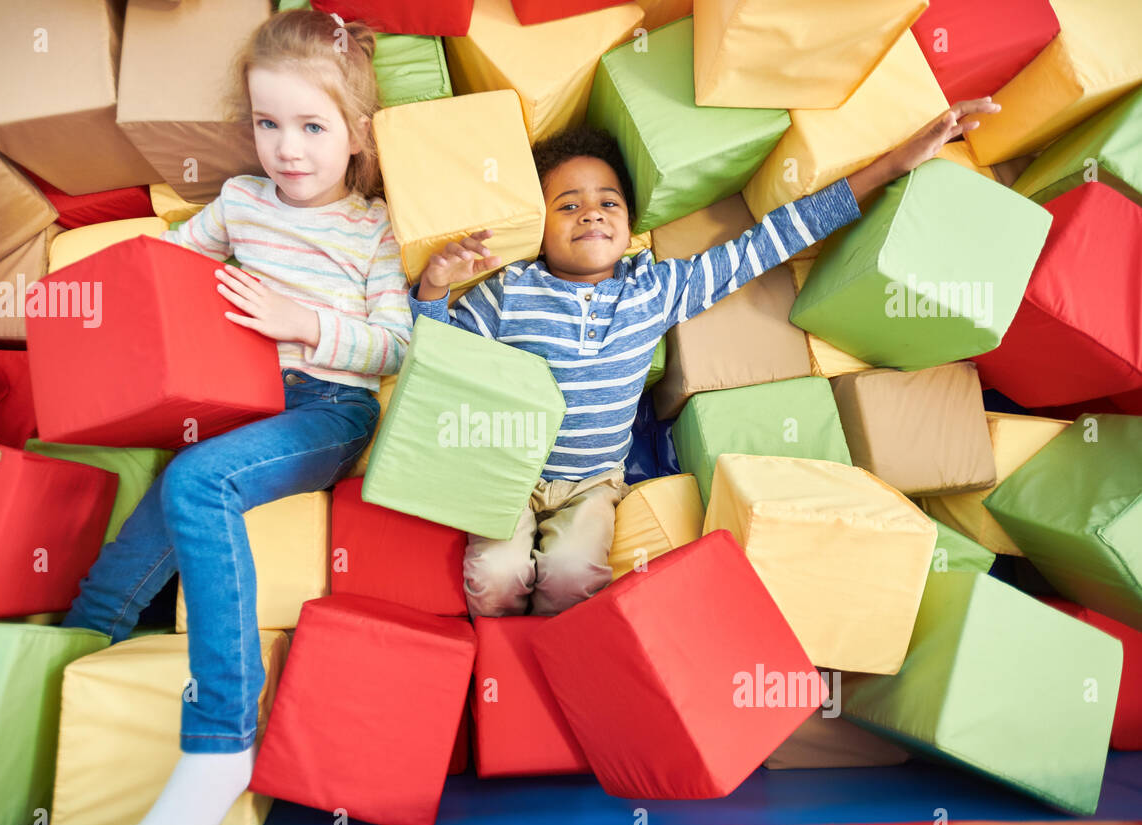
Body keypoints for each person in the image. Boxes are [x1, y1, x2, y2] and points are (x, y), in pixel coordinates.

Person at [408, 99, 1002, 618]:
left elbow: (767, 242)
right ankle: (494, 664)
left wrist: (895, 163)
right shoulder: (511, 290)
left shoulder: (654, 289)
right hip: (509, 471)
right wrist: (434, 288)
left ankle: (547, 654)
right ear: (539, 229)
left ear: (629, 222)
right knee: (493, 582)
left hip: (593, 485)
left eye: (607, 202)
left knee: (570, 581)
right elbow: (437, 358)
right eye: (568, 206)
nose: (591, 212)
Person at [60, 8, 412, 825]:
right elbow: (169, 270)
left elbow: (395, 343)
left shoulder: (373, 229)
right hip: (233, 403)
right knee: (134, 543)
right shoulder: (240, 202)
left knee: (195, 484)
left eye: (312, 126)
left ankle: (220, 744)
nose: (287, 148)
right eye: (267, 124)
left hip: (327, 410)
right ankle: (59, 682)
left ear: (357, 135)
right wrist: (87, 308)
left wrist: (305, 319)